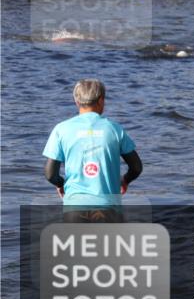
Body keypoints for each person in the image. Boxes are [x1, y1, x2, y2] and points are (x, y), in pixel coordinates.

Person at [43, 79, 143, 219]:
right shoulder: (114, 129)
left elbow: (49, 174)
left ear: (77, 101)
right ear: (101, 100)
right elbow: (136, 167)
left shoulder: (61, 129)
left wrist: (61, 184)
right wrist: (125, 180)